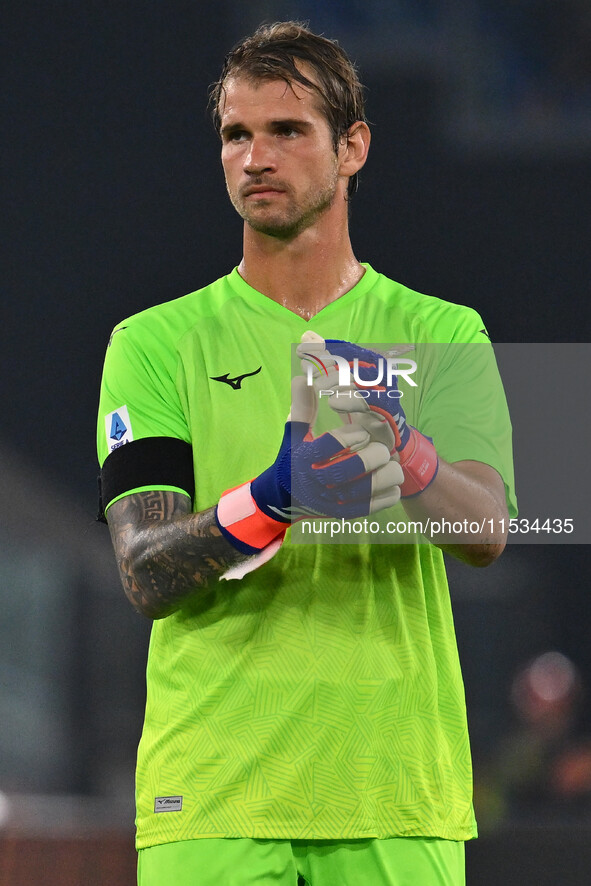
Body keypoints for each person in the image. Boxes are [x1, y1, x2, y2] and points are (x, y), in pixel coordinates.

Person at [97, 21, 516, 886]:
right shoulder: (152, 342)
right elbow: (143, 571)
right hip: (213, 796)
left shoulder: (442, 334)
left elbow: (487, 529)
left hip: (392, 792)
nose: (255, 157)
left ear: (352, 146)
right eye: (235, 135)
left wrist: (406, 455)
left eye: (286, 130)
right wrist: (270, 499)